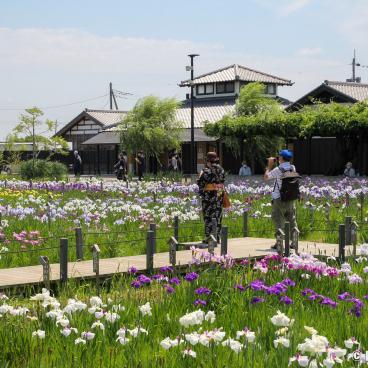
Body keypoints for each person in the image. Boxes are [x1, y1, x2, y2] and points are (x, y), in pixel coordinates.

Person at [264, 149, 298, 250]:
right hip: (291, 198)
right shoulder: (292, 167)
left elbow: (266, 178)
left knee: (278, 220)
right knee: (292, 219)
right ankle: (294, 242)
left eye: (279, 157)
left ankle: (279, 243)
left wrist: (269, 165)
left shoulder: (277, 169)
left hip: (279, 199)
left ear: (281, 158)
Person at [197, 152, 226, 244]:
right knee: (217, 216)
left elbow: (200, 183)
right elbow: (223, 180)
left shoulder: (205, 171)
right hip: (219, 195)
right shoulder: (221, 170)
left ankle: (209, 237)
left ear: (207, 160)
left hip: (208, 197)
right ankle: (217, 237)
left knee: (208, 216)